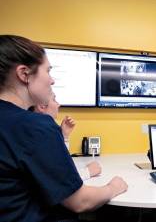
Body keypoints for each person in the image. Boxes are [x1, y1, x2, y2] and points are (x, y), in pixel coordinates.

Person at [0, 35, 127, 222]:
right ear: (24, 74)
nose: (52, 81)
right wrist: (114, 187)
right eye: (48, 71)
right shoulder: (34, 125)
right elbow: (80, 202)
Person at [30, 92, 101, 180]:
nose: (58, 105)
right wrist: (88, 172)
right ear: (42, 106)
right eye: (54, 100)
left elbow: (60, 164)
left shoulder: (36, 127)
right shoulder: (39, 132)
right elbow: (57, 179)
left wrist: (64, 136)